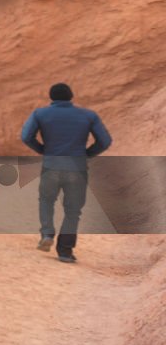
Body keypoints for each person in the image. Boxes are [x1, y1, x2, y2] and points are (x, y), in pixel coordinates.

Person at [21, 83, 112, 263]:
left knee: (46, 201)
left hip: (51, 165)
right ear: (71, 96)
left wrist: (42, 150)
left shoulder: (40, 114)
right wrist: (87, 154)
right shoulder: (88, 115)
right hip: (77, 168)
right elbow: (105, 141)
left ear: (51, 97)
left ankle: (47, 233)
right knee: (73, 211)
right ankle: (65, 251)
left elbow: (26, 136)